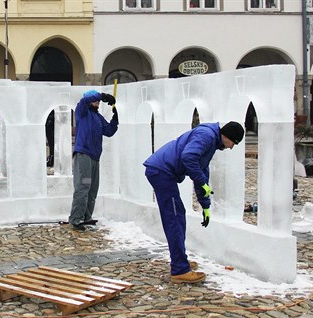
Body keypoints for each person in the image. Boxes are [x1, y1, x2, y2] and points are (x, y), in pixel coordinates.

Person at [143, 121, 245, 284]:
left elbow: (202, 173)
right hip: (161, 172)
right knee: (174, 218)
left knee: (178, 215)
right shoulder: (206, 136)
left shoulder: (211, 141)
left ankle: (180, 261)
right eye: (233, 142)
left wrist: (205, 206)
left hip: (162, 172)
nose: (232, 147)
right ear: (227, 136)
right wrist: (201, 182)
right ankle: (179, 270)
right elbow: (188, 157)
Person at [68, 90, 118, 231]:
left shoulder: (98, 117)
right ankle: (76, 219)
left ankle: (86, 217)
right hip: (84, 155)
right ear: (89, 100)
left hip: (95, 157)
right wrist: (103, 95)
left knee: (92, 188)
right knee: (83, 186)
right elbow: (86, 100)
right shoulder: (82, 110)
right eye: (95, 100)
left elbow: (109, 131)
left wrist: (115, 119)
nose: (98, 102)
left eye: (99, 101)